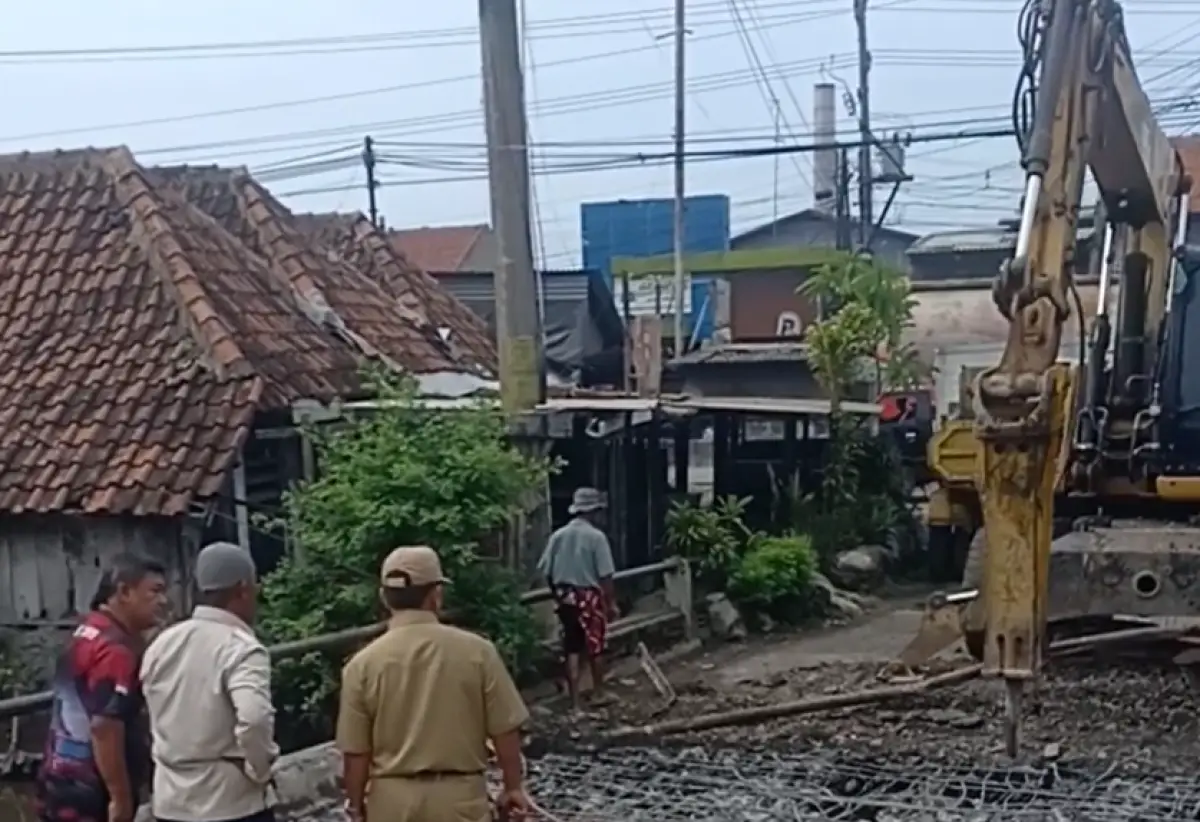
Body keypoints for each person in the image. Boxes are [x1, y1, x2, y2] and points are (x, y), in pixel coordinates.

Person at [336, 545, 531, 822]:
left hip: (391, 802)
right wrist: (512, 787)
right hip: (460, 799)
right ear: (436, 595)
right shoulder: (478, 652)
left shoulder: (361, 665)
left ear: (384, 598)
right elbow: (505, 729)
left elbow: (356, 752)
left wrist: (355, 807)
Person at [140, 541, 278, 822]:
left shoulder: (162, 644)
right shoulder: (241, 648)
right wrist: (260, 770)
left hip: (171, 802)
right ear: (242, 589)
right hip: (231, 804)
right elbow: (254, 719)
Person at [36, 554, 169, 822]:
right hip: (91, 790)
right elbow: (104, 727)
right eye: (155, 591)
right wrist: (120, 796)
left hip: (58, 778)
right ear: (124, 592)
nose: (163, 601)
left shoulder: (88, 630)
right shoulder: (116, 651)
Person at [537, 487, 619, 710]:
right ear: (593, 512)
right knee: (595, 645)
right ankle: (598, 691)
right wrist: (610, 603)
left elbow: (546, 571)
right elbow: (606, 576)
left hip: (566, 596)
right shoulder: (596, 538)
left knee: (572, 647)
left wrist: (558, 595)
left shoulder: (558, 536)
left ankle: (574, 702)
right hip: (589, 596)